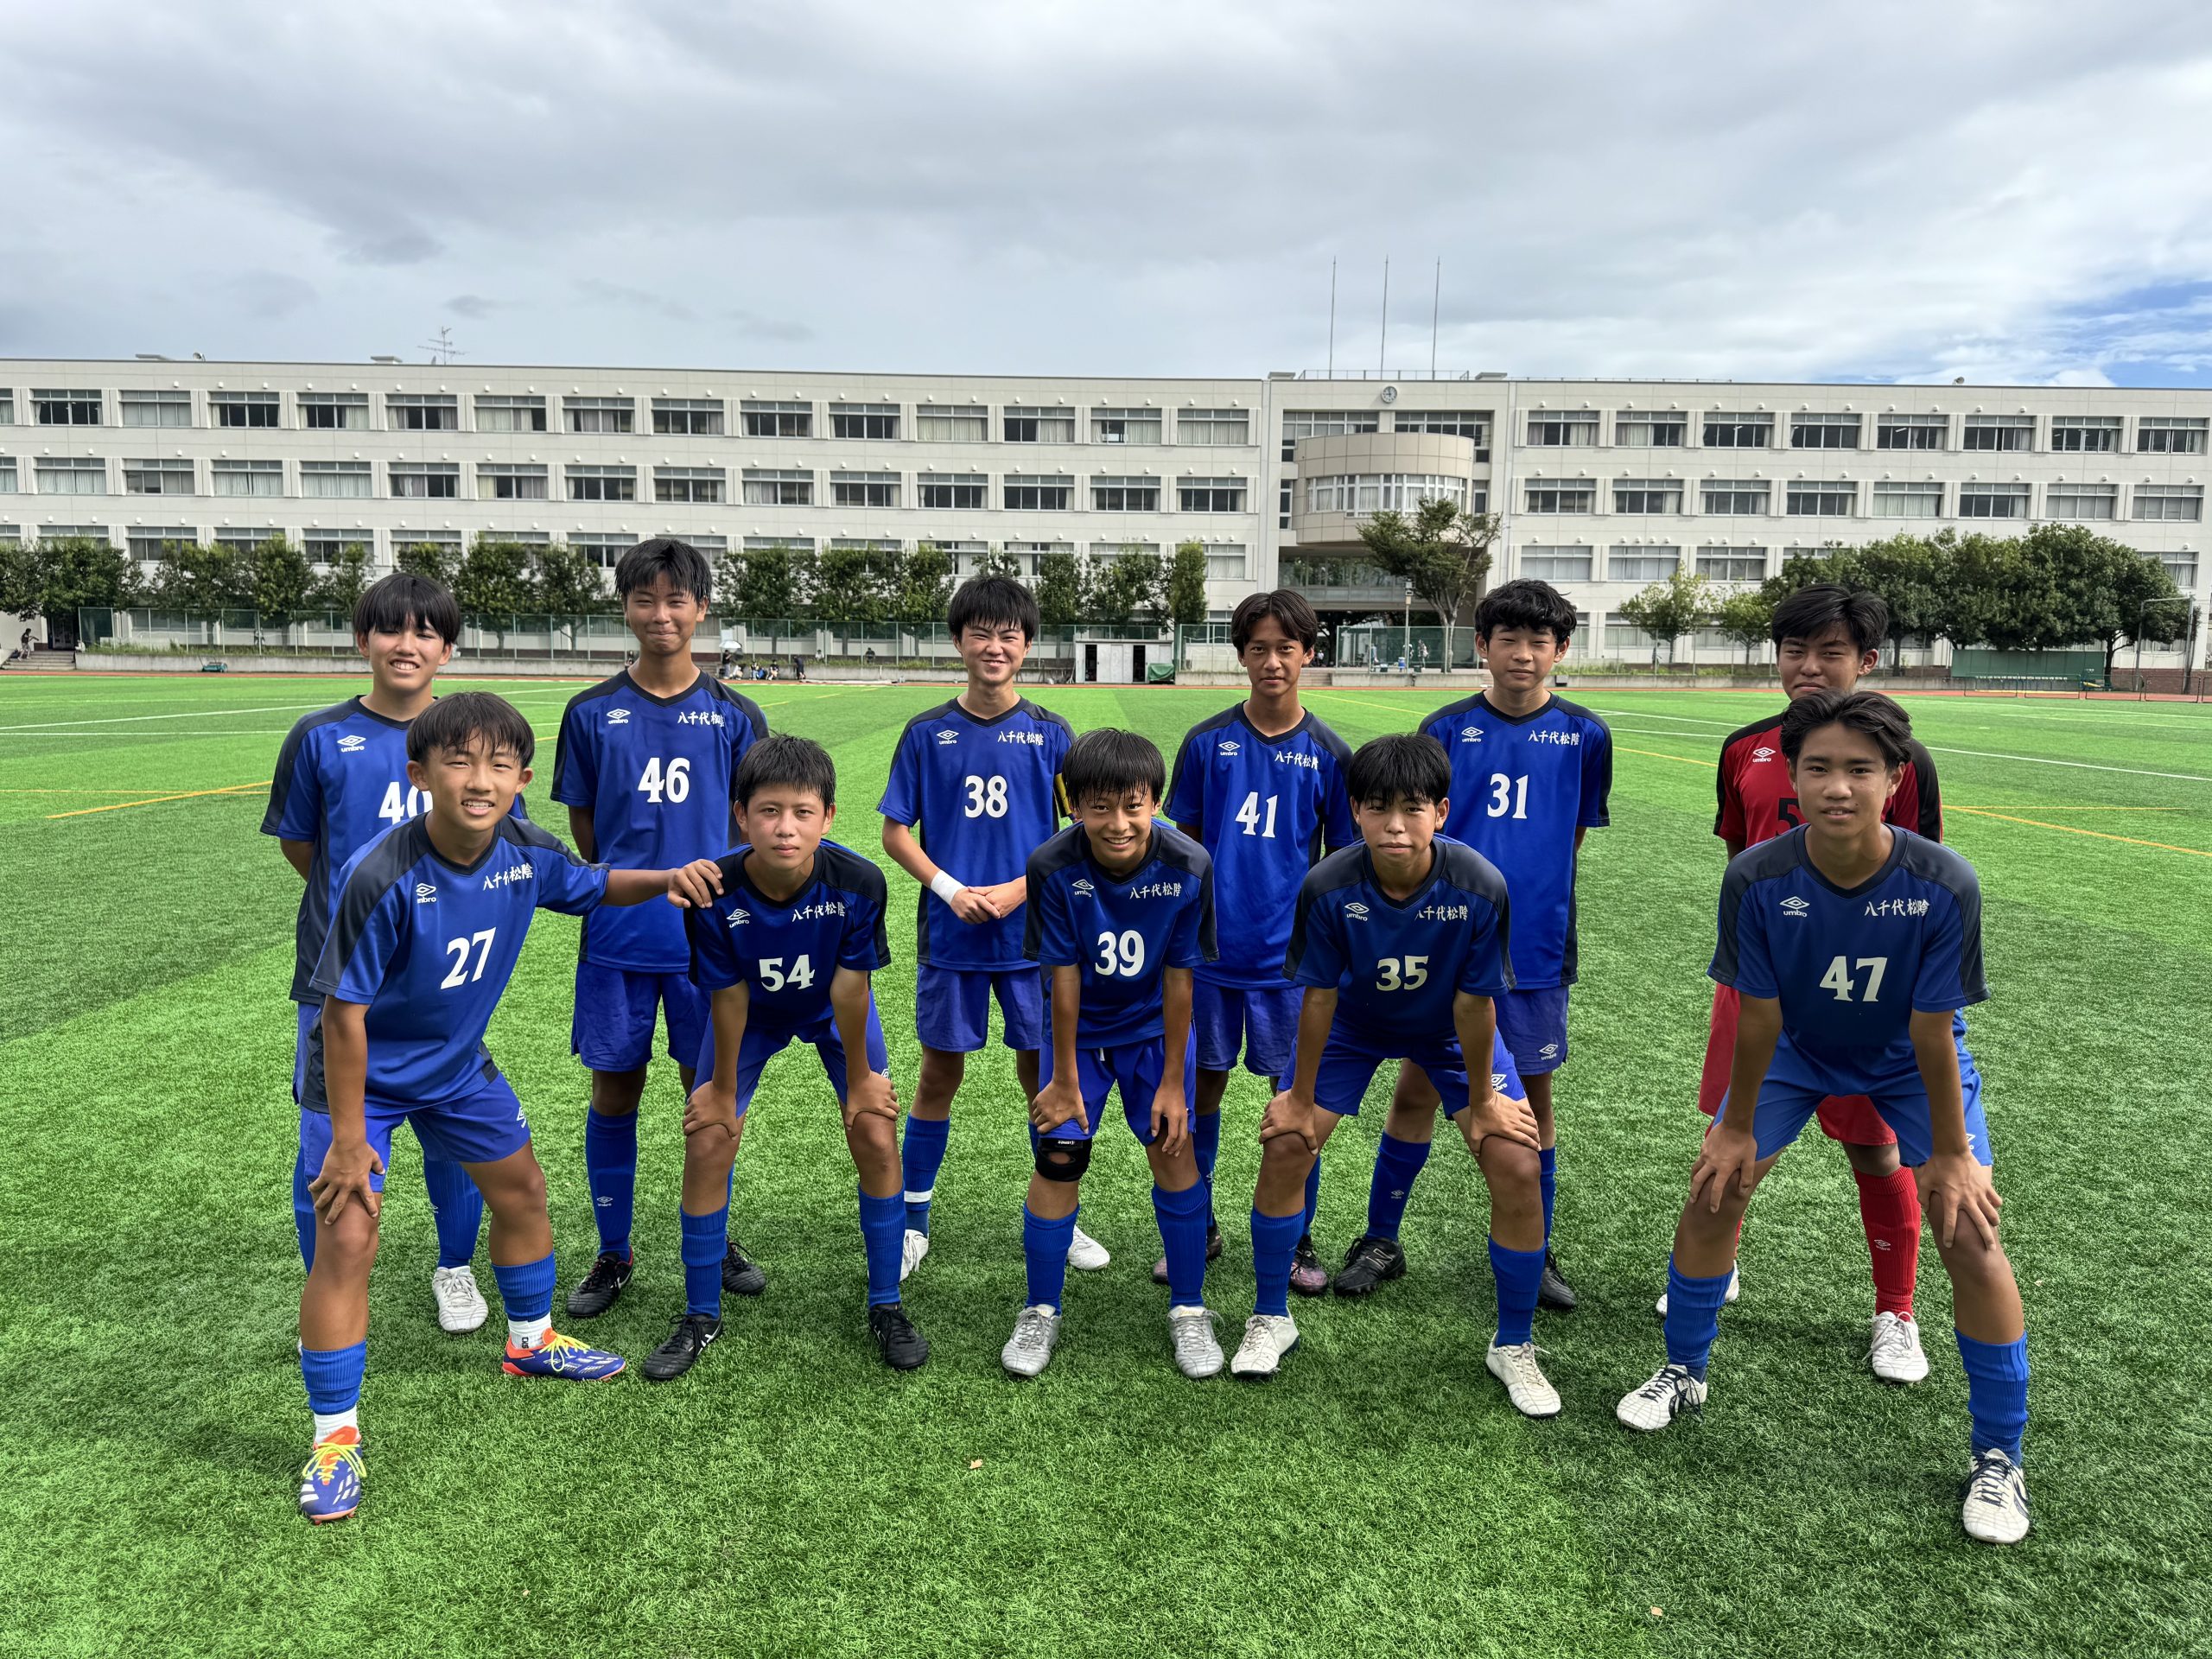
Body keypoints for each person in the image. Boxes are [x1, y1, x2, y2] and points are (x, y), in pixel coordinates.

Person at [293, 692, 723, 1522]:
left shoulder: (525, 849)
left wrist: (668, 879)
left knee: (523, 1191)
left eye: (499, 765)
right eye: (458, 762)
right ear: (420, 775)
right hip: (362, 1078)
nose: (479, 780)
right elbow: (342, 1017)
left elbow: (594, 883)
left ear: (522, 780)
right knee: (348, 1235)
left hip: (456, 1068)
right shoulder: (380, 874)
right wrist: (348, 1138)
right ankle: (334, 1439)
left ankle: (531, 1342)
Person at [1618, 690, 2031, 1546]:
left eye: (1859, 770)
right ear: (1793, 777)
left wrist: (1951, 1155)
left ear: (1894, 779)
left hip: (1908, 1060)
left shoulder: (1943, 882)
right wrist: (1735, 1127)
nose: (1837, 787)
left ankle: (2000, 1456)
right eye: (1818, 768)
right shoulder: (1755, 876)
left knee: (1968, 1230)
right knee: (1716, 1189)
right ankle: (1683, 1370)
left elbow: (1931, 1031)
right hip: (1798, 1052)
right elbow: (1760, 1015)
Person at [1662, 585, 1945, 1387]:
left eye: (1831, 652)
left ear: (1867, 661)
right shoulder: (1743, 749)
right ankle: (1717, 1268)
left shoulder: (1905, 759)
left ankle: (1895, 1311)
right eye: (1796, 650)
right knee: (1734, 1141)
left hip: (1862, 993)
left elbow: (1919, 879)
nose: (1811, 667)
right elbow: (1741, 863)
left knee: (1876, 1149)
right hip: (1759, 986)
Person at [1230, 735, 1557, 1418]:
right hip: (1353, 1026)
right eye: (1378, 808)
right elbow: (1319, 998)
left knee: (1517, 1162)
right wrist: (1298, 1098)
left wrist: (1482, 1104)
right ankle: (1269, 1316)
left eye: (1413, 808)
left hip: (1447, 1029)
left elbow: (1474, 1005)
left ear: (1442, 812)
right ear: (1355, 811)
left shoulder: (1479, 886)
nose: (1396, 826)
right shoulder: (1328, 885)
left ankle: (1514, 1344)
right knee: (1287, 1143)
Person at [1343, 580, 1611, 1307]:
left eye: (1538, 641)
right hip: (1443, 945)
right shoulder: (1446, 726)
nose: (1522, 654)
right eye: (1507, 640)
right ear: (1482, 647)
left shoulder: (1586, 734)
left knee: (1533, 1100)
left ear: (1560, 649)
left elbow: (1572, 836)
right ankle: (1381, 1237)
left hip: (1536, 948)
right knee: (1417, 1087)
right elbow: (1420, 830)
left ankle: (1537, 1246)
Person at [643, 735, 929, 1378]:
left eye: (803, 812)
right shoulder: (714, 890)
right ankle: (700, 1313)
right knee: (709, 1137)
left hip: (832, 1010)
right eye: (769, 811)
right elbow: (728, 997)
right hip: (750, 1014)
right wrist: (720, 1089)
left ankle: (886, 1303)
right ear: (741, 816)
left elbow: (851, 991)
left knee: (875, 1130)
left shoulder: (859, 882)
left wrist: (862, 1080)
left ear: (828, 817)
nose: (785, 828)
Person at [263, 572, 493, 1332]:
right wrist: (361, 914)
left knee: (452, 1139)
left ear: (447, 650)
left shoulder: (473, 741)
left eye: (426, 631)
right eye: (391, 628)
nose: (407, 644)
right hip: (336, 982)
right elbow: (303, 846)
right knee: (325, 1145)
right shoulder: (319, 736)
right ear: (363, 640)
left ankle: (455, 1268)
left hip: (437, 981)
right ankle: (328, 1284)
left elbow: (492, 847)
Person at [552, 538, 769, 1322]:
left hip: (709, 945)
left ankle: (715, 1234)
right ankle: (614, 1251)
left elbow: (753, 821)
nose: (662, 614)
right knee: (615, 1089)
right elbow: (585, 828)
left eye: (677, 599)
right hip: (618, 939)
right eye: (645, 599)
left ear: (701, 609)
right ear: (626, 608)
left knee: (707, 1095)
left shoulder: (735, 715)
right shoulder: (590, 713)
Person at [879, 576, 1103, 1279]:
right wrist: (949, 890)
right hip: (953, 938)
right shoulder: (927, 733)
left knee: (1045, 1074)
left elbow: (1082, 832)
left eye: (1009, 635)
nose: (995, 646)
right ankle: (913, 1219)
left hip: (1036, 939)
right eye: (981, 633)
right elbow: (895, 832)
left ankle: (1059, 1215)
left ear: (1027, 645)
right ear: (958, 641)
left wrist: (1015, 891)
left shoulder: (1051, 734)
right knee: (939, 1074)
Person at [1002, 728, 1224, 1380]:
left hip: (1154, 1036)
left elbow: (1181, 979)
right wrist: (1064, 1078)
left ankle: (1189, 1308)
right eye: (1099, 806)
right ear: (1073, 805)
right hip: (1076, 1038)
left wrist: (1175, 1082)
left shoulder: (1188, 865)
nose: (1118, 823)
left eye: (1133, 805)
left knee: (1175, 1154)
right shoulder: (1052, 865)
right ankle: (1040, 1308)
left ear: (1155, 801)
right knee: (1059, 1159)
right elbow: (1061, 977)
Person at [1160, 589, 1354, 1295]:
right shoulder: (1206, 743)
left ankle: (1297, 1237)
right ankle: (1201, 1224)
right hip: (1212, 960)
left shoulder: (1331, 754)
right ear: (1241, 655)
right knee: (1200, 1090)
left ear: (1308, 654)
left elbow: (1343, 863)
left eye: (1286, 649)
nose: (1272, 662)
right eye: (1259, 649)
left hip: (1292, 965)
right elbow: (1182, 849)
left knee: (1297, 1100)